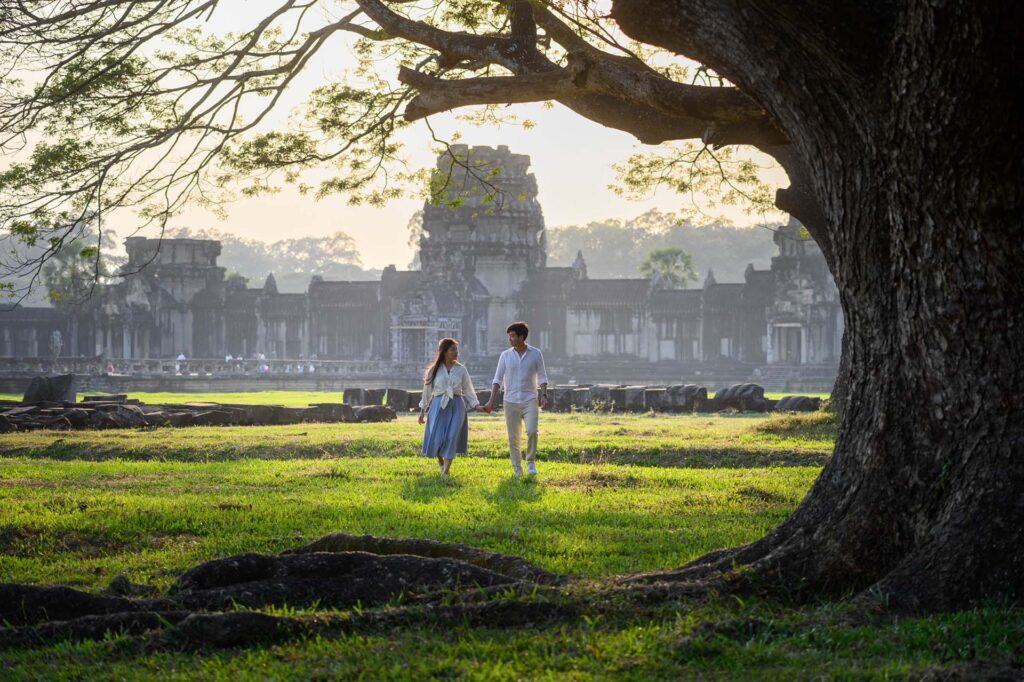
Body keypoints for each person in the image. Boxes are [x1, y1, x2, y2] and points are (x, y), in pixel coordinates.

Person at [486, 321, 548, 478]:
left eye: (512, 336)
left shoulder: (535, 354)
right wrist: (491, 401)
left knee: (532, 431)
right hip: (510, 400)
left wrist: (543, 395)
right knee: (513, 437)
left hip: (530, 399)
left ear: (521, 337)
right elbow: (497, 379)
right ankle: (517, 468)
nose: (510, 339)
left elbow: (542, 376)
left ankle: (530, 462)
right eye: (509, 336)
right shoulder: (505, 356)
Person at [419, 338, 488, 477]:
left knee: (452, 436)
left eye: (457, 349)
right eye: (453, 349)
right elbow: (427, 392)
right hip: (438, 404)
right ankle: (441, 464)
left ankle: (445, 472)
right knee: (437, 438)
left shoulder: (461, 369)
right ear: (445, 352)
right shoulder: (434, 370)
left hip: (457, 405)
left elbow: (468, 390)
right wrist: (422, 411)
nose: (456, 352)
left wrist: (476, 405)